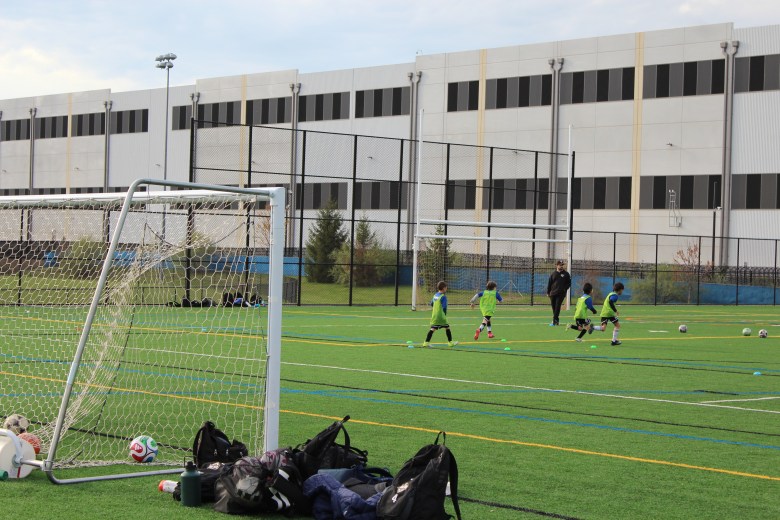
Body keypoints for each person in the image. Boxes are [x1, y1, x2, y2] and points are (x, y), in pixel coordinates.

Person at [422, 281, 458, 348]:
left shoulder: (435, 295)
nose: (446, 289)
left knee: (433, 328)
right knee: (447, 327)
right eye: (446, 287)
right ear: (444, 288)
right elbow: (444, 307)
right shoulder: (443, 297)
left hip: (434, 315)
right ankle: (450, 342)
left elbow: (431, 304)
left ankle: (426, 343)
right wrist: (444, 314)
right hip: (441, 316)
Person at [546, 260, 571, 326]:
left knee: (557, 306)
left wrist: (564, 289)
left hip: (561, 294)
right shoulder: (553, 274)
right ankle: (556, 320)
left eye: (562, 265)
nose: (561, 266)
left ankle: (554, 321)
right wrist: (548, 292)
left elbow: (569, 283)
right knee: (554, 307)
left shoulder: (566, 274)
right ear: (557, 265)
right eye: (560, 265)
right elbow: (549, 283)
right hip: (553, 293)